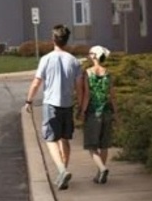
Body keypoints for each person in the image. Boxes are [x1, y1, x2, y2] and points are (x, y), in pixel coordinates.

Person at [23, 24, 83, 190]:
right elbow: (79, 86)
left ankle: (62, 171)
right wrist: (80, 105)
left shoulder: (46, 59)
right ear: (66, 40)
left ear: (53, 39)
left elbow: (37, 82)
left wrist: (29, 100)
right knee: (65, 138)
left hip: (51, 104)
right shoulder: (74, 61)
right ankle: (63, 172)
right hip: (68, 104)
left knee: (50, 139)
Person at [78, 45, 115, 184]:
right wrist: (116, 113)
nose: (88, 55)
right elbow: (112, 95)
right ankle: (100, 173)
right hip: (106, 111)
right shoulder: (108, 73)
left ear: (95, 56)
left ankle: (102, 168)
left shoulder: (88, 73)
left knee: (91, 146)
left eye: (90, 53)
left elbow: (87, 94)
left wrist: (82, 111)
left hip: (93, 112)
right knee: (104, 145)